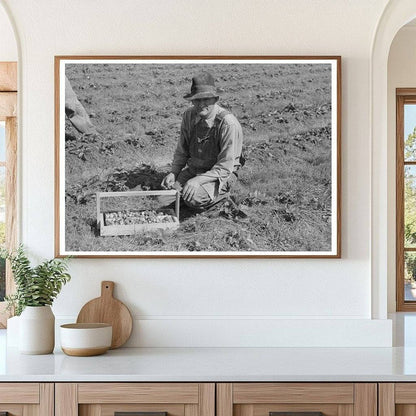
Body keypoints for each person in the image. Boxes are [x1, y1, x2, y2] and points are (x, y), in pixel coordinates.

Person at [161, 72, 243, 210]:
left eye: (206, 99)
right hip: (195, 169)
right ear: (192, 101)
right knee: (164, 198)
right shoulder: (189, 116)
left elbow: (225, 167)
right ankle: (190, 195)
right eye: (197, 100)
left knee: (192, 198)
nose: (201, 104)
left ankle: (223, 197)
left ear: (215, 99)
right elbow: (182, 150)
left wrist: (198, 181)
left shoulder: (228, 124)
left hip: (219, 175)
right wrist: (174, 172)